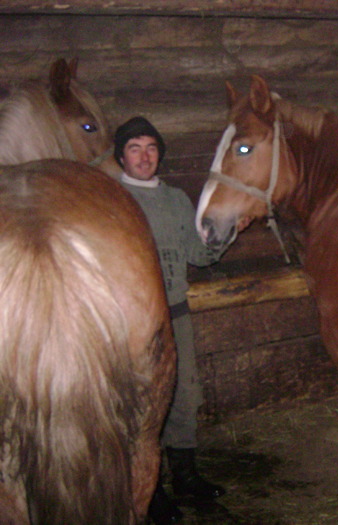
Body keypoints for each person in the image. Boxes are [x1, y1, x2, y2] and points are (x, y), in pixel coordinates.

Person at [114, 116, 226, 524]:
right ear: (121, 157)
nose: (144, 157)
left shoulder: (177, 199)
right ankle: (152, 486)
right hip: (130, 322)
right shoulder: (110, 198)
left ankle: (186, 475)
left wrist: (225, 237)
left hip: (175, 314)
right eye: (134, 148)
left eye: (151, 148)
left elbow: (199, 254)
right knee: (143, 403)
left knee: (184, 393)